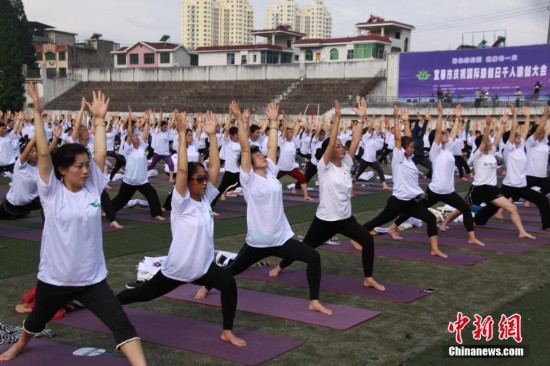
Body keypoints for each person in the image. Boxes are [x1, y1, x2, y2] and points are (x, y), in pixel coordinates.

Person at [0, 84, 147, 365]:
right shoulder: (51, 192)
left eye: (86, 165)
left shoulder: (93, 188)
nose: (84, 169)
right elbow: (44, 155)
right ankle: (20, 344)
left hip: (92, 280)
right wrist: (39, 114)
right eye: (78, 166)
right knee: (36, 319)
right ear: (62, 170)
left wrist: (101, 121)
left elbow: (101, 155)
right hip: (54, 279)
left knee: (122, 325)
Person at [117, 110, 246, 347]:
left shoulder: (206, 198)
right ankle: (112, 306)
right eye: (199, 179)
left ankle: (227, 331)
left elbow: (216, 167)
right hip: (178, 268)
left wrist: (213, 136)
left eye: (204, 179)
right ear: (187, 183)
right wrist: (179, 133)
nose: (204, 182)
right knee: (143, 295)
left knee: (228, 283)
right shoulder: (181, 202)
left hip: (203, 267)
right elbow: (184, 171)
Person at [194, 101, 332, 314]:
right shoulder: (248, 179)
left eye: (262, 156)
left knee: (313, 257)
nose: (263, 157)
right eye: (258, 157)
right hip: (258, 241)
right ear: (248, 163)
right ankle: (207, 284)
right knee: (232, 270)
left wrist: (275, 122)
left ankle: (314, 301)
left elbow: (271, 147)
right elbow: (246, 148)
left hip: (280, 238)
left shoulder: (271, 171)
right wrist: (241, 120)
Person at [270, 100, 385, 291]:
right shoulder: (324, 167)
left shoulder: (347, 162)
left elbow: (355, 141)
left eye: (341, 146)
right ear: (329, 152)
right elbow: (331, 143)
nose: (341, 148)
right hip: (325, 220)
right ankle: (280, 266)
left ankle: (368, 277)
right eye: (338, 147)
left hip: (345, 219)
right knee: (306, 246)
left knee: (367, 239)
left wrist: (361, 118)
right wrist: (337, 120)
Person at [387, 103, 484, 246]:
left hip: (449, 192)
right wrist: (440, 114)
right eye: (443, 133)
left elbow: (453, 134)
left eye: (446, 133)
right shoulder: (435, 150)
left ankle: (471, 237)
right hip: (435, 190)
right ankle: (393, 227)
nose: (445, 134)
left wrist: (457, 119)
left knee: (465, 208)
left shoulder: (449, 149)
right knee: (414, 209)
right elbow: (438, 132)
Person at [359, 106, 448, 258]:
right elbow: (400, 139)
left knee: (431, 219)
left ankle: (434, 249)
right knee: (379, 220)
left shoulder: (409, 159)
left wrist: (407, 123)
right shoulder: (398, 157)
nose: (413, 150)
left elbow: (408, 139)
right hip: (398, 201)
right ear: (404, 149)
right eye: (411, 148)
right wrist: (396, 118)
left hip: (409, 201)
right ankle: (357, 237)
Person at [442, 115, 536, 239]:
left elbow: (497, 138)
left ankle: (522, 232)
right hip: (478, 189)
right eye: (488, 142)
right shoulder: (477, 154)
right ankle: (444, 223)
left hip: (492, 189)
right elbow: (485, 139)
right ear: (482, 144)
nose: (491, 143)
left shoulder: (491, 152)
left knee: (512, 208)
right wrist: (487, 125)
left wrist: (502, 124)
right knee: (462, 208)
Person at [493, 106, 550, 230]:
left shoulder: (534, 144)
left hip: (531, 180)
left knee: (542, 198)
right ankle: (487, 216)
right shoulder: (519, 146)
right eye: (516, 136)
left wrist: (531, 117)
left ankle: (546, 225)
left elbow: (538, 131)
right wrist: (515, 116)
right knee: (501, 202)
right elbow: (518, 132)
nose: (519, 136)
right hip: (519, 179)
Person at [110, 109, 165, 221]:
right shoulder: (128, 149)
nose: (137, 138)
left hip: (142, 181)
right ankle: (109, 211)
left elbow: (145, 133)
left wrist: (147, 121)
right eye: (135, 137)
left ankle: (156, 214)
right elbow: (129, 135)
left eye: (137, 137)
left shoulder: (142, 147)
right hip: (129, 181)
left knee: (152, 195)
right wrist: (130, 122)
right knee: (121, 199)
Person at [276, 113, 312, 200]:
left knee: (302, 178)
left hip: (292, 167)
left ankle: (306, 195)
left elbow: (296, 130)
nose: (290, 133)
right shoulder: (281, 141)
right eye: (288, 132)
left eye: (291, 132)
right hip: (281, 167)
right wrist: (284, 120)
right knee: (271, 179)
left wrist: (298, 121)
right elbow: (284, 130)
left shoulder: (294, 141)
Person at [354, 117, 391, 190]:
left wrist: (380, 122)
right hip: (365, 159)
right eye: (369, 131)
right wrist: (372, 120)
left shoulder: (373, 136)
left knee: (380, 171)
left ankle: (384, 185)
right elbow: (370, 128)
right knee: (358, 173)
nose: (371, 132)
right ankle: (350, 185)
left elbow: (377, 129)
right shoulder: (365, 137)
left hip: (373, 160)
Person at [525, 107, 550, 195]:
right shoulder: (531, 142)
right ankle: (501, 208)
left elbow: (546, 130)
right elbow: (538, 131)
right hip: (530, 174)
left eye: (544, 132)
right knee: (516, 195)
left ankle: (535, 196)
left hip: (542, 175)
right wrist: (544, 119)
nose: (543, 133)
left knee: (547, 187)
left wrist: (546, 120)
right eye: (541, 132)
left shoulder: (544, 142)